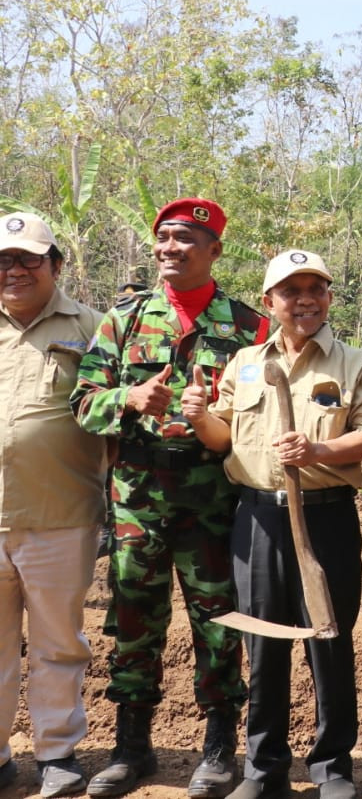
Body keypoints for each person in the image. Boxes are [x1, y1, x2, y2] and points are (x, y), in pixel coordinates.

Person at [71, 198, 269, 799]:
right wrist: (126, 399)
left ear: (213, 250)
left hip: (215, 501)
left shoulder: (248, 326)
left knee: (218, 624)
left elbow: (260, 415)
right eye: (162, 239)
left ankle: (218, 747)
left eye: (185, 239)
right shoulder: (124, 320)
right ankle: (132, 747)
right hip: (137, 497)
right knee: (133, 621)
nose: (169, 249)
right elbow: (82, 404)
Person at [185, 250, 362, 799]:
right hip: (256, 518)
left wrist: (318, 447)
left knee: (330, 640)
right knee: (264, 644)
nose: (305, 300)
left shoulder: (356, 363)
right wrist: (199, 415)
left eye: (315, 289)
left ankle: (333, 767)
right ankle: (263, 766)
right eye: (292, 291)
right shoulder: (245, 363)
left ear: (328, 298)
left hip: (325, 521)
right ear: (270, 301)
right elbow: (222, 436)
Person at [0, 213, 104, 798]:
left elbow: (111, 411)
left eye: (28, 259)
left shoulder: (91, 327)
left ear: (55, 265)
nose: (14, 269)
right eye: (3, 260)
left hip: (63, 514)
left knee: (59, 644)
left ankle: (58, 753)